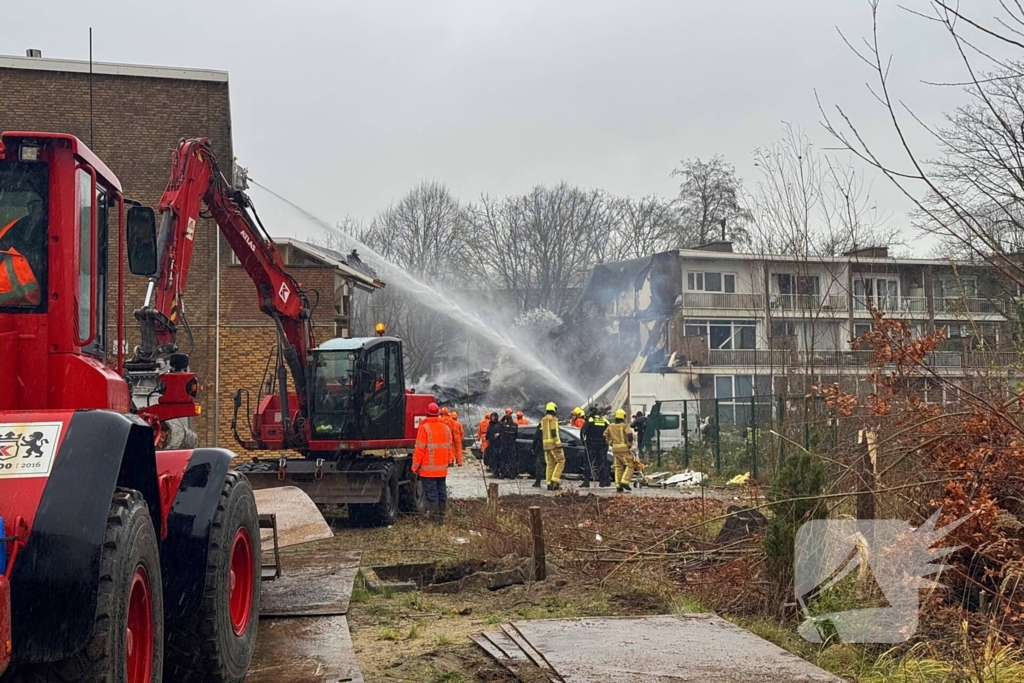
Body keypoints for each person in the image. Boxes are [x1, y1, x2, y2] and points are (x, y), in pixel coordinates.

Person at [412, 402, 454, 523]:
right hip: (442, 469)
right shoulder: (445, 428)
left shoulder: (424, 428)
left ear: (427, 413)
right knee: (441, 492)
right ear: (438, 414)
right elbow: (449, 447)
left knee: (431, 494)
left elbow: (419, 449)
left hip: (428, 470)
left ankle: (433, 520)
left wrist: (415, 467)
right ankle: (441, 518)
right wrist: (449, 461)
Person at [0, 197, 46, 307]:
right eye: (33, 206)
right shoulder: (39, 225)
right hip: (28, 300)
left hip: (13, 300)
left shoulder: (14, 225)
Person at [605, 409, 636, 493]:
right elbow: (629, 435)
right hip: (624, 448)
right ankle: (624, 481)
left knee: (618, 467)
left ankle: (618, 486)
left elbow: (605, 435)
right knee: (631, 464)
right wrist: (629, 444)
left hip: (615, 449)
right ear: (623, 417)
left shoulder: (610, 426)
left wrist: (611, 443)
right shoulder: (624, 426)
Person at [582, 406, 610, 488]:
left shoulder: (590, 420)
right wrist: (606, 443)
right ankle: (603, 481)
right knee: (602, 462)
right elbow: (609, 431)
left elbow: (583, 431)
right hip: (601, 445)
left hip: (591, 444)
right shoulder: (605, 421)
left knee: (588, 462)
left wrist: (584, 442)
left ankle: (586, 481)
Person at [540, 402, 565, 490]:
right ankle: (555, 481)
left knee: (550, 464)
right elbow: (554, 431)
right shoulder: (553, 419)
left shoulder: (543, 419)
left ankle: (549, 483)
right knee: (561, 461)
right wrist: (558, 443)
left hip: (546, 445)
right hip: (553, 445)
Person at [497, 412, 520, 479]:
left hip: (504, 445)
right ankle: (512, 475)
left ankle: (502, 475)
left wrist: (503, 418)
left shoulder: (503, 425)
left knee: (503, 460)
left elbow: (499, 423)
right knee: (512, 460)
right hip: (512, 445)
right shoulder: (515, 425)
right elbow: (516, 435)